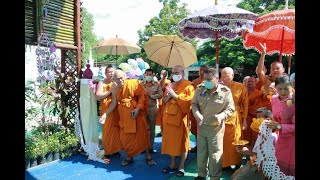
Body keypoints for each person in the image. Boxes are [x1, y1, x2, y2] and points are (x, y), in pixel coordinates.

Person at [102, 69, 155, 166]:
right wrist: (105, 114)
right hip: (124, 115)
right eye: (117, 79)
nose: (120, 81)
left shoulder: (133, 83)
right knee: (125, 137)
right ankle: (129, 156)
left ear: (125, 76)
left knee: (142, 134)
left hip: (136, 114)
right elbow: (114, 103)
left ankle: (148, 155)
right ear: (113, 79)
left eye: (121, 78)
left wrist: (138, 109)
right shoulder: (114, 88)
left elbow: (142, 96)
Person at [192, 68, 235, 180]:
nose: (206, 82)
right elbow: (194, 104)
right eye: (205, 79)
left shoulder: (225, 92)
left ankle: (214, 177)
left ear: (217, 79)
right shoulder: (200, 89)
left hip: (216, 129)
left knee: (215, 154)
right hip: (201, 127)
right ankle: (201, 175)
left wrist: (221, 116)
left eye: (209, 79)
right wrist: (197, 115)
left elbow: (231, 109)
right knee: (201, 153)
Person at [161, 65, 195, 177]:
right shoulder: (170, 85)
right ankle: (173, 164)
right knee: (170, 142)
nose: (175, 74)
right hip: (168, 117)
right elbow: (164, 100)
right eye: (173, 72)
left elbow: (188, 103)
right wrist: (169, 96)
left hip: (180, 119)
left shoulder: (189, 86)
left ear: (183, 73)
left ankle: (181, 166)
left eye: (177, 72)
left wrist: (174, 95)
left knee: (182, 143)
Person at [231, 107, 273, 180]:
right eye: (257, 118)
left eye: (260, 118)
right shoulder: (260, 133)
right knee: (233, 176)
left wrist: (248, 152)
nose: (257, 120)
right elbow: (255, 151)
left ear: (269, 119)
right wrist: (245, 148)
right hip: (252, 162)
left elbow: (265, 159)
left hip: (260, 168)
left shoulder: (272, 137)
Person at [265, 75, 295, 176]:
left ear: (291, 87)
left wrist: (279, 126)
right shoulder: (274, 99)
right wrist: (269, 123)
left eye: (286, 89)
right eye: (279, 89)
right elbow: (275, 117)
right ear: (275, 88)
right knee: (280, 168)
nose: (283, 92)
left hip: (293, 140)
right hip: (281, 139)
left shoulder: (294, 100)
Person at [220, 67, 249, 170]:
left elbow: (245, 105)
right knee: (223, 141)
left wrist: (245, 120)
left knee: (235, 139)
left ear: (232, 76)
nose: (225, 78)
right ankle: (225, 163)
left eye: (227, 76)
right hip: (221, 116)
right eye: (223, 76)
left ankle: (237, 162)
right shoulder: (218, 87)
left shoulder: (240, 87)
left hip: (235, 117)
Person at [96, 65, 122, 163]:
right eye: (109, 72)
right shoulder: (102, 83)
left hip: (116, 109)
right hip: (106, 109)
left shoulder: (116, 82)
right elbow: (98, 97)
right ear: (105, 73)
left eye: (112, 72)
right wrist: (110, 91)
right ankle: (108, 150)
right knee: (107, 131)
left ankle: (116, 150)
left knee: (117, 130)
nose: (111, 73)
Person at [141, 68, 163, 153]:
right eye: (147, 74)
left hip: (152, 108)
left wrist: (151, 96)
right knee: (143, 127)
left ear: (153, 75)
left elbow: (160, 95)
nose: (148, 76)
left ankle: (150, 146)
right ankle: (143, 146)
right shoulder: (141, 84)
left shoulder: (157, 84)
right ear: (145, 75)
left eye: (150, 75)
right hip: (142, 108)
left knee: (151, 128)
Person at [189, 65, 208, 153]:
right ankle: (197, 146)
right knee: (196, 128)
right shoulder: (194, 82)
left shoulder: (210, 82)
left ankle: (206, 147)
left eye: (204, 71)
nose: (201, 72)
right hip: (197, 109)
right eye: (200, 70)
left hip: (207, 110)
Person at [243, 76, 263, 147]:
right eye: (248, 81)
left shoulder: (259, 94)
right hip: (242, 118)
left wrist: (246, 107)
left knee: (253, 139)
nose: (250, 83)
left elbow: (258, 108)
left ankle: (252, 156)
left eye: (252, 81)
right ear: (245, 83)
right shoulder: (242, 92)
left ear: (256, 83)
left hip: (253, 120)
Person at [155, 69, 171, 137]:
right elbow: (158, 87)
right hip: (160, 101)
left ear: (167, 74)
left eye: (164, 73)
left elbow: (163, 88)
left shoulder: (168, 81)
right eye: (162, 73)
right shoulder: (160, 81)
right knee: (161, 117)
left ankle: (165, 130)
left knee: (165, 117)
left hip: (166, 101)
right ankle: (162, 130)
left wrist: (164, 78)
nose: (163, 74)